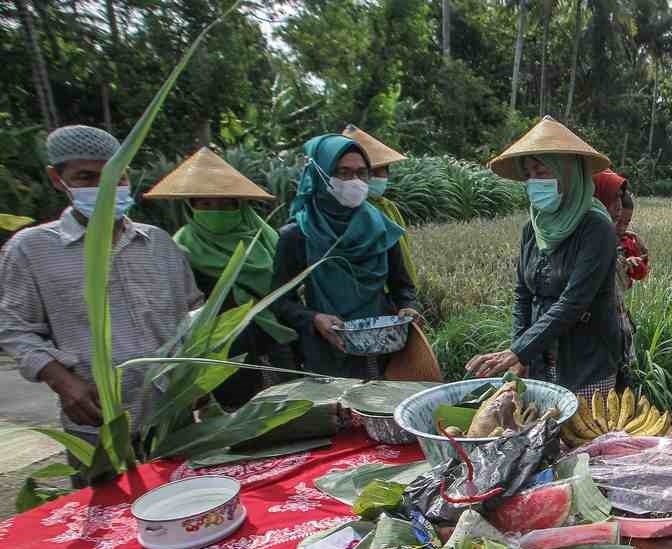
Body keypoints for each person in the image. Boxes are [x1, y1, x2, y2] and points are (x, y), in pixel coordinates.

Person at [0, 125, 203, 452]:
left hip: (173, 419)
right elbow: (13, 328)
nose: (105, 187)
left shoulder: (159, 244)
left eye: (116, 176)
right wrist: (64, 382)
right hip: (98, 425)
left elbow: (194, 313)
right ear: (57, 179)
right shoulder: (31, 250)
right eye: (86, 177)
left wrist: (201, 372)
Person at [467, 117, 623, 398]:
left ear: (567, 173)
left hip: (585, 363)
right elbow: (522, 295)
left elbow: (574, 301)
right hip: (539, 358)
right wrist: (519, 355)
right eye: (527, 175)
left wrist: (518, 351)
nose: (533, 182)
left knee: (585, 439)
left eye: (541, 172)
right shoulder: (532, 228)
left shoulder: (596, 228)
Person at [143, 147, 297, 408]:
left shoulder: (265, 238)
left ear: (240, 205)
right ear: (191, 207)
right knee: (239, 420)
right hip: (224, 353)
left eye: (226, 203)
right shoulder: (181, 249)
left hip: (277, 341)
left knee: (293, 409)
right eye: (205, 204)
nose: (216, 211)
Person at [271, 133, 421, 379]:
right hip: (328, 351)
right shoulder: (297, 235)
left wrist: (407, 307)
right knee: (341, 415)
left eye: (362, 173)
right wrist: (314, 318)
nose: (355, 181)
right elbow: (280, 301)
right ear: (320, 175)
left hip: (386, 349)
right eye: (343, 173)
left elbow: (402, 286)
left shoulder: (381, 227)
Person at [342, 124, 420, 284]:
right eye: (370, 172)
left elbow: (402, 250)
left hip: (400, 290)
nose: (378, 177)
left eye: (381, 171)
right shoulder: (347, 211)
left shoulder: (387, 206)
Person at [593, 169, 649, 385]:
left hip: (616, 332)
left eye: (624, 222)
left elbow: (633, 279)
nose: (621, 227)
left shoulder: (624, 244)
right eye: (616, 219)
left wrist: (638, 260)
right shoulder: (589, 244)